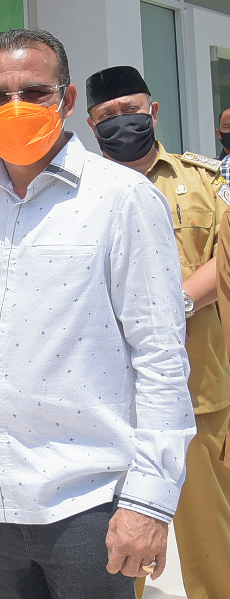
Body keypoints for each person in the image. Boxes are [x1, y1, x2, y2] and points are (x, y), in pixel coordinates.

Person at [0, 29, 195, 597]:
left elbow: (161, 355)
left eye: (35, 92)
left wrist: (149, 501)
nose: (16, 107)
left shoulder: (123, 198)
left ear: (65, 100)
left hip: (87, 504)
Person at [83, 65, 230, 599]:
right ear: (91, 123)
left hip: (198, 391)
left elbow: (226, 258)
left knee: (212, 539)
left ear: (154, 111)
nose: (121, 121)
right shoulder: (80, 193)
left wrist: (173, 305)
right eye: (108, 115)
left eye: (131, 110)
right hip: (107, 404)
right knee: (116, 548)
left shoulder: (204, 181)